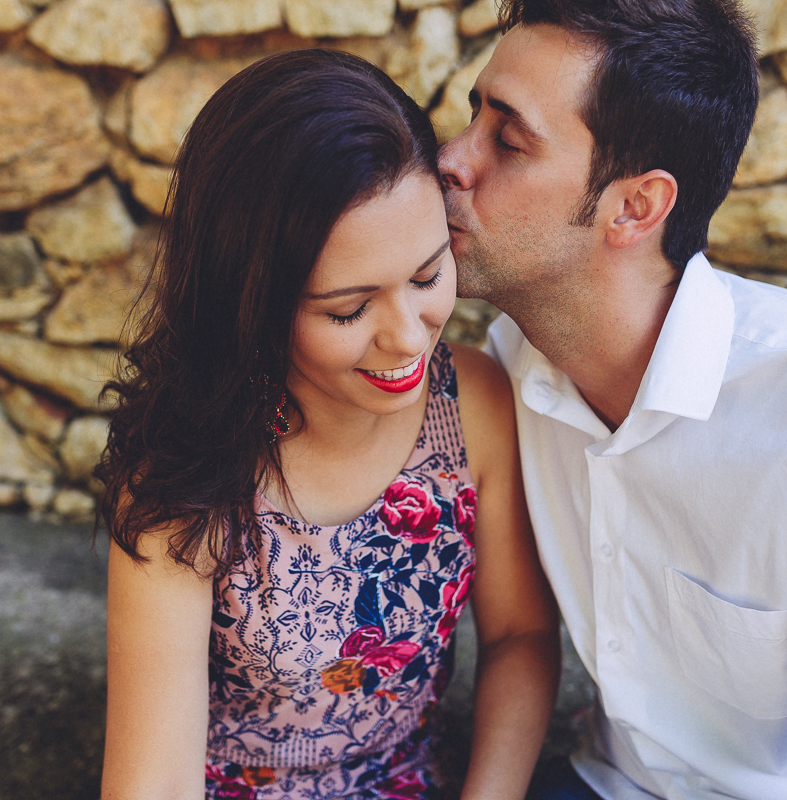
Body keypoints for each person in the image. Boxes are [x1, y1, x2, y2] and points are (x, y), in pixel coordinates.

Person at [438, 0, 787, 798]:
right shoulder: (512, 367)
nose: (450, 159)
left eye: (508, 140)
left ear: (635, 207)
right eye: (472, 118)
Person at [95, 48, 560, 800]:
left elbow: (520, 637)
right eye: (348, 308)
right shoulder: (182, 480)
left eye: (427, 275)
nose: (408, 336)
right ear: (256, 304)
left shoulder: (471, 406)